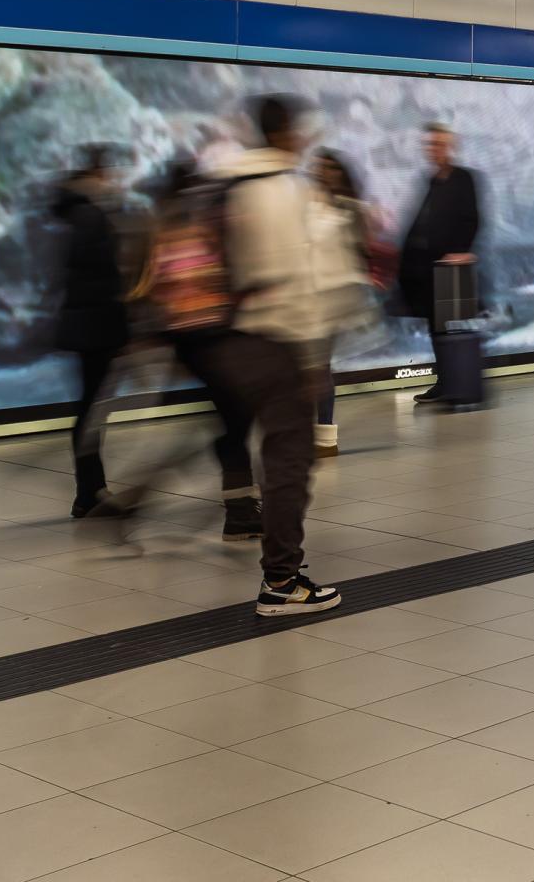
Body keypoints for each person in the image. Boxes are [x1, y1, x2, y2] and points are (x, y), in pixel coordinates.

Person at [216, 96, 342, 615]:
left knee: (236, 439)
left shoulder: (227, 185)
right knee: (289, 459)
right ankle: (282, 582)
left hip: (226, 342)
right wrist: (314, 360)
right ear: (289, 133)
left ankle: (240, 513)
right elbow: (305, 283)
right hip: (278, 343)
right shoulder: (289, 192)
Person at [146, 161, 263, 542]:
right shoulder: (198, 228)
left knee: (230, 424)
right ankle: (239, 510)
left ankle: (240, 507)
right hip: (213, 338)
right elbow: (214, 283)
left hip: (192, 341)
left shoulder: (166, 227)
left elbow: (160, 290)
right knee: (232, 425)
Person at [51, 147, 132, 518]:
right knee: (91, 410)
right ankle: (90, 491)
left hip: (86, 324)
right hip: (95, 326)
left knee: (90, 408)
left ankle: (90, 490)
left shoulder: (73, 212)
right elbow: (99, 275)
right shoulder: (89, 214)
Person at [396, 122, 480, 403]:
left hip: (452, 272)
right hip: (429, 270)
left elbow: (472, 218)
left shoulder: (463, 178)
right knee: (437, 327)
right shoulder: (431, 181)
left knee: (451, 328)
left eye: (438, 144)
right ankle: (445, 382)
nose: (433, 150)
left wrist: (462, 252)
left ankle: (458, 384)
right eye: (430, 145)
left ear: (450, 147)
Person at [309, 150, 377, 457]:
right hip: (307, 297)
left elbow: (363, 253)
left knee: (319, 367)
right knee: (313, 368)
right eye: (321, 168)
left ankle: (324, 435)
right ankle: (320, 435)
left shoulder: (349, 210)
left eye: (331, 168)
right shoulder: (307, 205)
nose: (325, 173)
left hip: (333, 299)